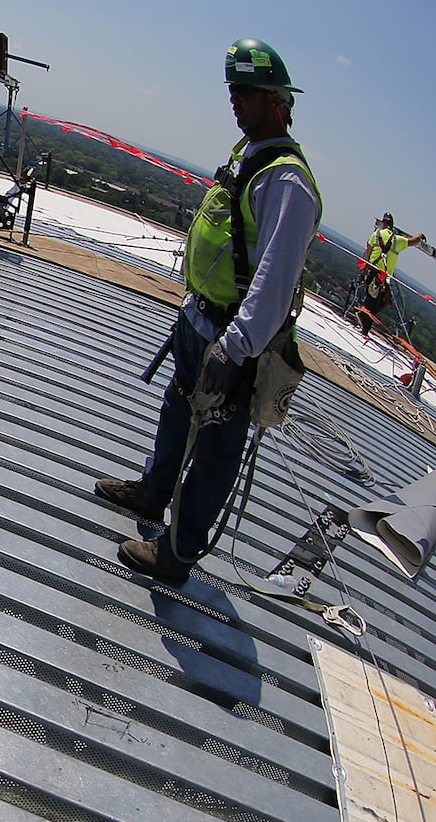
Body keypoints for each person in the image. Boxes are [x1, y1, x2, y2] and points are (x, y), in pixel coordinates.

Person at [95, 38, 322, 584]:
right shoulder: (252, 157)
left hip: (231, 341)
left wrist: (235, 347)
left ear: (277, 101)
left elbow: (273, 278)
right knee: (179, 410)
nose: (234, 101)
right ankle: (153, 493)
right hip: (201, 322)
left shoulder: (287, 180)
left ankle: (177, 552)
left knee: (217, 446)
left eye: (244, 92)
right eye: (232, 91)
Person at [354, 212, 427, 338]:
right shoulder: (397, 240)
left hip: (371, 273)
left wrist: (363, 271)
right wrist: (420, 235)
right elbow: (412, 241)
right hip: (381, 277)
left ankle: (364, 324)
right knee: (376, 303)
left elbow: (368, 252)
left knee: (376, 301)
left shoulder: (376, 235)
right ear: (392, 226)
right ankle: (364, 326)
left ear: (384, 223)